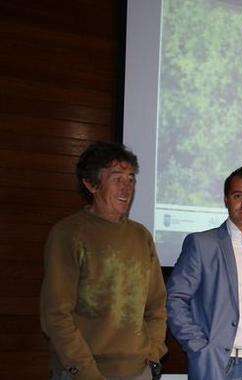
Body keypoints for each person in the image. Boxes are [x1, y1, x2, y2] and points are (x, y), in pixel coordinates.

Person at [40, 142, 167, 380]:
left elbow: (157, 306)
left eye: (131, 179)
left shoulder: (141, 236)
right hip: (84, 373)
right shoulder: (69, 233)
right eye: (117, 178)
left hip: (139, 371)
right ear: (91, 184)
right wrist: (86, 372)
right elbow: (56, 316)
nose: (126, 188)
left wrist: (153, 355)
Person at [166, 165, 242, 380]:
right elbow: (174, 299)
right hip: (224, 365)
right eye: (237, 196)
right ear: (226, 200)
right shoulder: (203, 244)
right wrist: (199, 347)